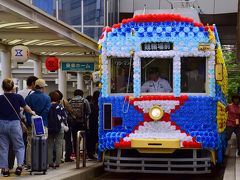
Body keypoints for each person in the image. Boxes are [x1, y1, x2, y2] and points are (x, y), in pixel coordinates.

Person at [0, 78, 35, 177]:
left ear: (3, 87)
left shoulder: (0, 98)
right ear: (12, 87)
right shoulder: (18, 97)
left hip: (1, 124)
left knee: (3, 147)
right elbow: (26, 108)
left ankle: (5, 169)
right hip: (14, 124)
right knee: (19, 146)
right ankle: (19, 166)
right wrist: (32, 112)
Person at [25, 79, 51, 168]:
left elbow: (27, 111)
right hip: (43, 123)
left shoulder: (28, 98)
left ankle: (29, 163)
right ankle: (43, 162)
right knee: (43, 142)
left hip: (31, 123)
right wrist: (39, 119)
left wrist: (30, 121)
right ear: (42, 87)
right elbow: (47, 110)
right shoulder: (47, 98)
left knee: (30, 143)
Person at [18, 76, 38, 168]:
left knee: (22, 141)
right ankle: (30, 161)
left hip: (20, 120)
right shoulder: (34, 94)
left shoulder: (19, 93)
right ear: (33, 83)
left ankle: (23, 161)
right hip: (31, 120)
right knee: (31, 140)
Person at [48, 91, 68, 168]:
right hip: (60, 127)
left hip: (50, 128)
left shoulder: (48, 106)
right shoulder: (61, 107)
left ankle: (50, 162)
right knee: (59, 145)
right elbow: (64, 117)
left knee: (49, 145)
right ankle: (57, 162)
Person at [69, 89, 91, 156]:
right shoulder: (85, 101)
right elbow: (89, 112)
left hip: (74, 123)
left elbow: (68, 112)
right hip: (82, 123)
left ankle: (76, 153)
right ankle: (85, 153)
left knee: (75, 139)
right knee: (86, 138)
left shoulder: (70, 101)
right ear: (82, 94)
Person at [55, 90, 74, 162]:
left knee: (57, 141)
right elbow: (71, 110)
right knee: (68, 140)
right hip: (65, 123)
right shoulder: (64, 102)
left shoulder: (51, 103)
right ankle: (67, 156)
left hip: (55, 124)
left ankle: (58, 157)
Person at [87, 91, 100, 160]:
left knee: (92, 140)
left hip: (92, 124)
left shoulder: (91, 104)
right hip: (98, 124)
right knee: (96, 139)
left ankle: (91, 154)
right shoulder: (99, 104)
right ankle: (96, 153)